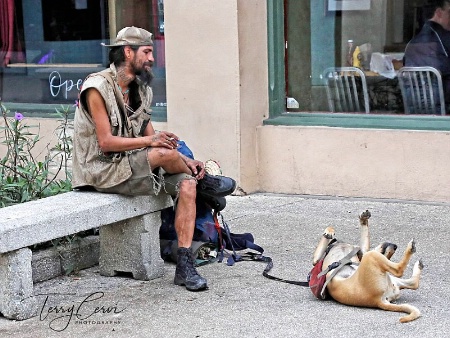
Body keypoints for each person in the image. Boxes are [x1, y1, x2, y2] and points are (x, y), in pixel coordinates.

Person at [71, 26, 236, 291]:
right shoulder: (96, 88)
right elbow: (107, 142)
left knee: (186, 184)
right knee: (164, 153)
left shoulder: (141, 90)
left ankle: (185, 266)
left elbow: (152, 139)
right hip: (101, 171)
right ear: (128, 52)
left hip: (133, 167)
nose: (152, 58)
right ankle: (207, 185)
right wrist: (155, 143)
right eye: (147, 52)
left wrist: (180, 156)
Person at [404, 0, 450, 111]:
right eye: (449, 12)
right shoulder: (445, 39)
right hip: (443, 107)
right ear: (439, 13)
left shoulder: (411, 43)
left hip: (414, 108)